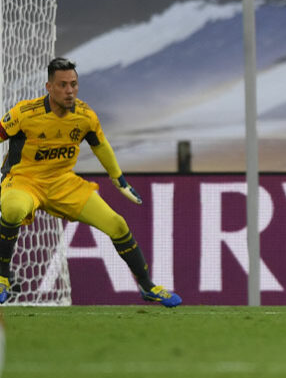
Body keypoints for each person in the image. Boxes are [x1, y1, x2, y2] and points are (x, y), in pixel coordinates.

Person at [0, 57, 181, 307]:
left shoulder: (85, 116)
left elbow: (101, 146)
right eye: (62, 85)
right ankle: (2, 278)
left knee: (117, 224)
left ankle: (148, 286)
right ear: (49, 87)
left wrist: (120, 180)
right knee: (13, 209)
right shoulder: (25, 113)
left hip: (63, 184)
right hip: (24, 181)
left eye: (73, 84)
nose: (69, 90)